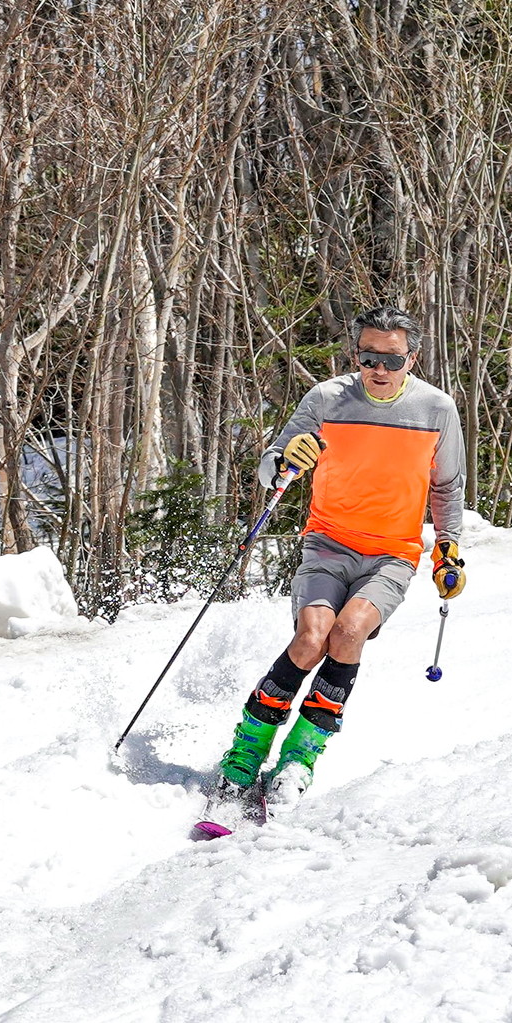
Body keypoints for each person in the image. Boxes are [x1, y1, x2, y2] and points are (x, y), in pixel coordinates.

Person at [215, 302, 467, 810]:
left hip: (392, 554)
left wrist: (447, 549)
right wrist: (286, 460)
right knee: (310, 640)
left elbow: (447, 486)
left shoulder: (436, 409)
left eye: (392, 360)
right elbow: (271, 469)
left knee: (348, 632)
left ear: (411, 360)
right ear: (357, 354)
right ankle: (244, 756)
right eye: (369, 357)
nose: (379, 370)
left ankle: (298, 760)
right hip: (327, 542)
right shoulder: (326, 398)